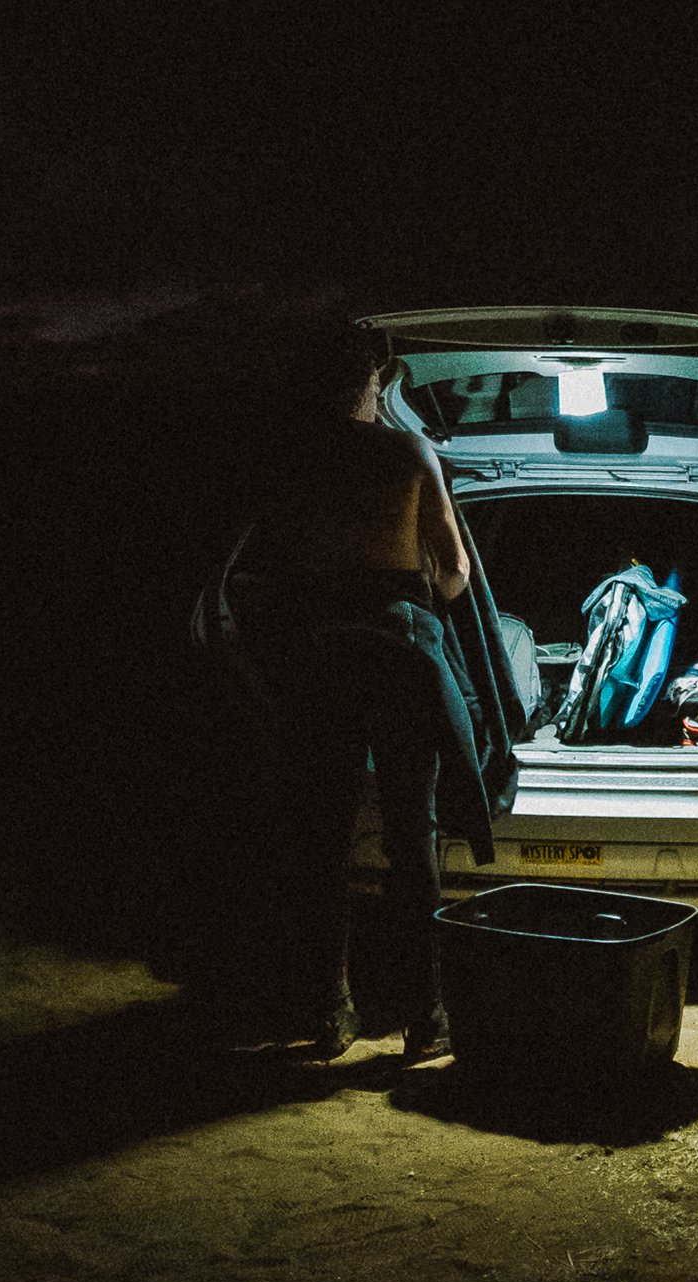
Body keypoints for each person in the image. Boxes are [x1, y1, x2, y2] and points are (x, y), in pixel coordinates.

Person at [196, 326, 482, 1062]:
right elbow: (453, 572)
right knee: (410, 839)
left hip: (321, 660)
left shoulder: (291, 462)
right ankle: (425, 1016)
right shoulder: (406, 452)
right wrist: (411, 573)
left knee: (322, 840)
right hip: (396, 659)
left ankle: (330, 1010)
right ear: (369, 388)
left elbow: (272, 570)